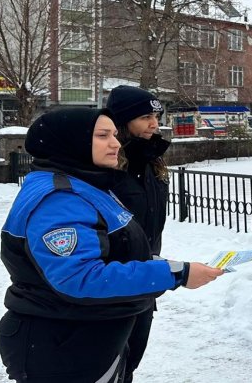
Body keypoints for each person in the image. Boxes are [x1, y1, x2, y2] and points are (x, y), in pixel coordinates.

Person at [0, 108, 224, 382]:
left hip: (87, 337)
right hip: (62, 345)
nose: (116, 143)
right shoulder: (60, 198)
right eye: (103, 136)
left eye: (114, 135)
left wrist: (170, 267)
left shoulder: (87, 186)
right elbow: (79, 278)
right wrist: (176, 274)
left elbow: (113, 252)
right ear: (72, 141)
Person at [106, 85, 170, 383]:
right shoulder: (107, 166)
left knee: (129, 364)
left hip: (143, 282)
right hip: (110, 285)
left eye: (155, 116)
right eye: (145, 117)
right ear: (122, 121)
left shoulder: (151, 161)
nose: (154, 124)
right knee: (105, 367)